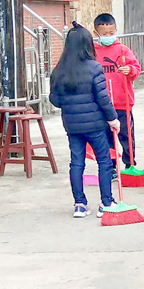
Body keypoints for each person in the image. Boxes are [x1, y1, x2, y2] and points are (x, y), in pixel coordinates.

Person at [49, 23, 120, 218]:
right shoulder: (94, 68)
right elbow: (103, 98)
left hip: (72, 126)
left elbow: (54, 99)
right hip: (96, 124)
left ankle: (80, 204)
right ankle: (106, 202)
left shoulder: (59, 70)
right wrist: (113, 119)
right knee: (104, 161)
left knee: (76, 163)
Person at [93, 13, 142, 176]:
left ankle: (130, 165)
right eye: (104, 34)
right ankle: (111, 167)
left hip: (123, 103)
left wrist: (130, 70)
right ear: (96, 33)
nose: (108, 37)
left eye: (111, 33)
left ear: (116, 31)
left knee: (126, 136)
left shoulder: (123, 50)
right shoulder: (93, 52)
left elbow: (136, 68)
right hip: (102, 105)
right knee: (106, 139)